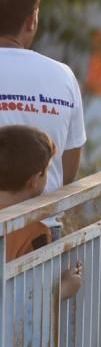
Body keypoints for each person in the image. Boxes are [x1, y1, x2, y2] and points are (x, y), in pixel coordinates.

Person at [0, 0, 87, 239]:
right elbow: (66, 171)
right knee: (49, 285)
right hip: (40, 239)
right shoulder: (62, 76)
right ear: (31, 20)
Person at [0, 125, 84, 298]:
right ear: (34, 180)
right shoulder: (33, 233)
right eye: (47, 170)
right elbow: (34, 299)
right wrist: (65, 288)